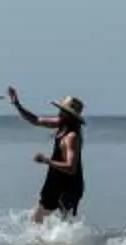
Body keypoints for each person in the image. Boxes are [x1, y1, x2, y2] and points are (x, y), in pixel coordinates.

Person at [6, 86, 85, 225]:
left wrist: (46, 160)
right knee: (39, 219)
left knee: (50, 221)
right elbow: (36, 120)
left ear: (70, 117)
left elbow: (71, 167)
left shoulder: (71, 137)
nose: (59, 112)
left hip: (68, 185)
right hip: (55, 180)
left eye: (63, 111)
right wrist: (17, 105)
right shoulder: (61, 125)